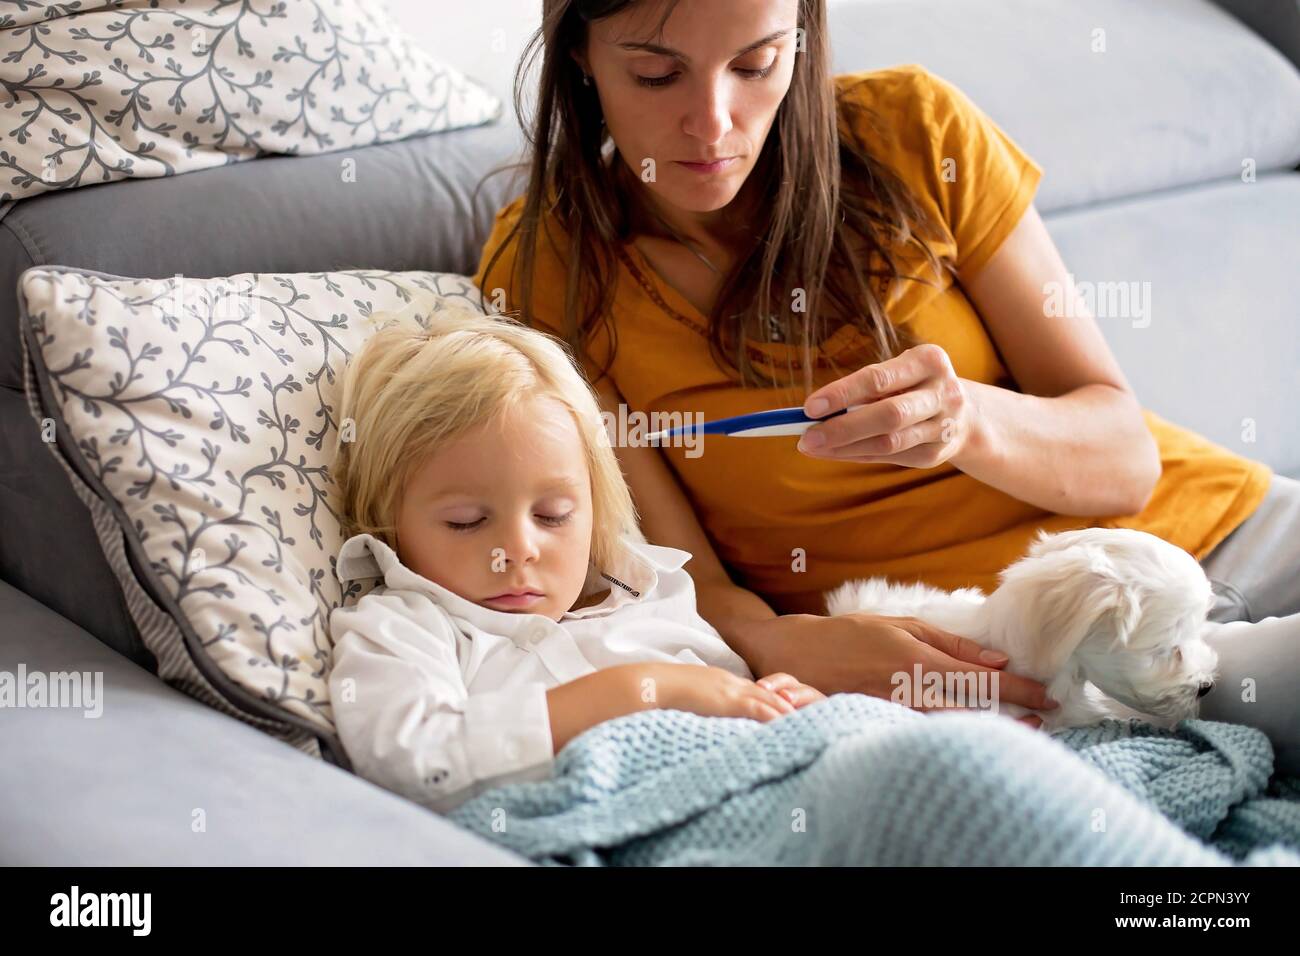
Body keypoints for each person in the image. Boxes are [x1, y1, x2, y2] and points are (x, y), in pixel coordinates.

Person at [474, 0, 1299, 769]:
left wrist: (967, 423)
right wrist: (782, 642)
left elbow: (1126, 457)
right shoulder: (549, 271)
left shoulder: (914, 128)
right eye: (657, 75)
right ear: (579, 50)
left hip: (1215, 536)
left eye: (757, 64)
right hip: (1006, 650)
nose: (714, 122)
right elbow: (661, 572)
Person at [327, 308, 838, 813]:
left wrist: (787, 705)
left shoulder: (652, 588)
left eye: (553, 515)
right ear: (388, 518)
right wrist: (638, 692)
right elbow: (411, 762)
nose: (520, 549)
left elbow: (731, 698)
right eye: (466, 521)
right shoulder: (404, 629)